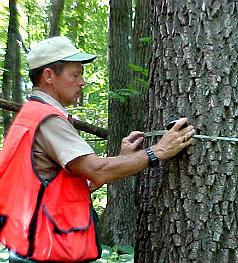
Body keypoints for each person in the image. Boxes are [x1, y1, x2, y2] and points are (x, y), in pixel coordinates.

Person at [0, 36, 195, 262]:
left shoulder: (30, 116)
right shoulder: (47, 120)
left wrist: (122, 160)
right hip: (46, 251)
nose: (82, 82)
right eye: (75, 74)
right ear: (49, 76)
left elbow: (59, 184)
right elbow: (96, 170)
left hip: (34, 246)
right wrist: (159, 151)